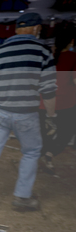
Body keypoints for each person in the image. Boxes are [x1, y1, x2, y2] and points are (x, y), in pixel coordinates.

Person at [0, 12, 57, 211]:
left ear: (16, 29)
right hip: (27, 114)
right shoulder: (42, 52)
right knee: (32, 152)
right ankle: (22, 197)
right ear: (36, 29)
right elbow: (49, 90)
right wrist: (52, 116)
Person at [39, 28, 76, 173]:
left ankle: (44, 154)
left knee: (45, 132)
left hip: (43, 103)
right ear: (72, 41)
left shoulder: (45, 56)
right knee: (67, 131)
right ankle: (50, 154)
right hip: (65, 104)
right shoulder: (73, 57)